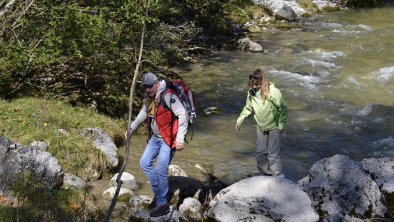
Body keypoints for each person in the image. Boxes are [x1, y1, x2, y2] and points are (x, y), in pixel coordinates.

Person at [125, 72, 188, 217]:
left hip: (168, 138)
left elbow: (182, 114)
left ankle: (163, 204)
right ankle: (160, 194)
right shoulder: (150, 97)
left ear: (156, 83)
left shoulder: (168, 95)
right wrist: (132, 127)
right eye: (145, 87)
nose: (147, 89)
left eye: (149, 86)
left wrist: (179, 139)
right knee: (144, 162)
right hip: (155, 137)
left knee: (160, 169)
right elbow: (143, 112)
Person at [235, 69, 288, 177]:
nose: (254, 87)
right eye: (252, 85)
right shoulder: (251, 93)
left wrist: (281, 125)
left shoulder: (273, 92)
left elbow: (283, 109)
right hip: (260, 127)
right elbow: (248, 107)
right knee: (260, 152)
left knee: (272, 154)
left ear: (263, 82)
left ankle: (277, 176)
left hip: (274, 127)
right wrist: (240, 119)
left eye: (257, 85)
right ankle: (266, 173)